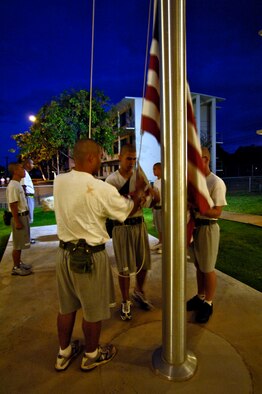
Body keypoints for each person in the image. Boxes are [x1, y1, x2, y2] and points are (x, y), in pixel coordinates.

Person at [53, 139, 141, 372]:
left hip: (63, 254)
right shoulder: (102, 189)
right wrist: (139, 196)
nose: (102, 161)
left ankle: (64, 353)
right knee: (92, 311)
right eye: (100, 156)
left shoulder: (59, 181)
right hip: (89, 256)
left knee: (66, 307)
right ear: (91, 158)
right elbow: (126, 209)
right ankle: (91, 355)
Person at [106, 144, 159, 321]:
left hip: (139, 225)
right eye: (128, 158)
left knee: (143, 263)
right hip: (122, 227)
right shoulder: (111, 181)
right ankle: (125, 300)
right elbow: (117, 209)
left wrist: (154, 196)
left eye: (134, 159)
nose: (131, 162)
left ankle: (139, 291)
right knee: (125, 268)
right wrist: (137, 194)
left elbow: (147, 204)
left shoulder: (139, 176)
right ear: (120, 157)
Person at [187, 147, 227, 323]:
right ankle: (200, 296)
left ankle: (208, 303)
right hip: (195, 227)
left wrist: (197, 207)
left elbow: (217, 212)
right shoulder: (195, 181)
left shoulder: (215, 182)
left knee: (208, 268)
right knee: (198, 265)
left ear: (206, 159)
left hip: (208, 227)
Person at [6, 163, 32, 276]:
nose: (24, 170)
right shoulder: (13, 186)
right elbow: (13, 204)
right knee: (17, 244)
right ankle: (16, 267)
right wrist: (17, 221)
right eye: (22, 168)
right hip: (19, 217)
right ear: (16, 171)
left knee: (21, 243)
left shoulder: (17, 184)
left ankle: (19, 263)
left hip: (23, 216)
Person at [20, 158, 35, 244]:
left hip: (29, 197)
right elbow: (23, 186)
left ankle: (27, 238)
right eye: (32, 164)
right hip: (28, 197)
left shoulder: (26, 173)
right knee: (28, 218)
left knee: (29, 218)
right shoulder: (24, 173)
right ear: (27, 164)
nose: (33, 165)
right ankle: (27, 239)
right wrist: (24, 200)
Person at [150, 162, 162, 254]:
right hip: (156, 207)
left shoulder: (164, 181)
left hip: (162, 207)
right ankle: (160, 241)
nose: (153, 171)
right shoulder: (156, 181)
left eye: (155, 169)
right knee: (158, 226)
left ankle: (165, 244)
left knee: (163, 226)